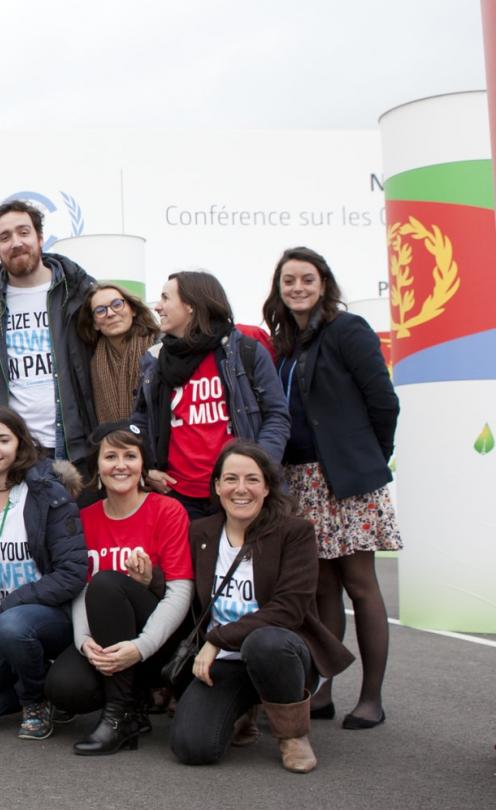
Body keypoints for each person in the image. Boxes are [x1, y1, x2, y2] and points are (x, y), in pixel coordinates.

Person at [262, 246, 400, 729]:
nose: (297, 288)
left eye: (306, 279)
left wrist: (366, 460)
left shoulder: (348, 329)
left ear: (324, 284)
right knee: (320, 589)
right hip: (300, 481)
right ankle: (324, 691)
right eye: (288, 281)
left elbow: (383, 402)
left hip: (347, 481)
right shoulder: (284, 344)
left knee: (361, 586)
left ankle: (372, 697)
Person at [169, 441, 354, 773]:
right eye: (231, 479)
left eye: (252, 479)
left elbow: (288, 610)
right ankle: (243, 710)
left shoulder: (295, 533)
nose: (241, 489)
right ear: (217, 486)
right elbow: (179, 584)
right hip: (225, 663)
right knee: (192, 747)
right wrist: (146, 577)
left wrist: (217, 639)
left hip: (279, 652)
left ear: (267, 487)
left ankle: (292, 735)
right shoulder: (201, 532)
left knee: (264, 642)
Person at [45, 422, 193, 755]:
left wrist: (141, 648)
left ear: (143, 465)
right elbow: (80, 589)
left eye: (130, 455)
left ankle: (119, 715)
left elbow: (180, 594)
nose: (121, 465)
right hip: (104, 638)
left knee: (108, 583)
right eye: (111, 456)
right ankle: (133, 702)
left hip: (157, 641)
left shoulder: (167, 511)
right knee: (64, 688)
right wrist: (83, 642)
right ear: (97, 466)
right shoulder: (85, 518)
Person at [0, 406, 87, 739]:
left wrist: (12, 604)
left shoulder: (48, 495)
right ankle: (30, 683)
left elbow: (73, 572)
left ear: (20, 445)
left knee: (13, 624)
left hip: (48, 618)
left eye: (3, 439)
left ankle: (35, 699)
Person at [0, 199, 97, 465]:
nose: (15, 242)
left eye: (24, 232)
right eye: (5, 237)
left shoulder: (79, 291)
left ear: (40, 237)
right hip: (16, 451)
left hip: (78, 447)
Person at [131, 271, 290, 520]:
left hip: (240, 494)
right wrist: (148, 466)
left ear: (191, 305)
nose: (157, 306)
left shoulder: (245, 351)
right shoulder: (155, 360)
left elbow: (277, 415)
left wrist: (258, 470)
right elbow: (142, 420)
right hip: (180, 499)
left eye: (165, 297)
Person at [75, 283, 160, 425]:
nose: (110, 313)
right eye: (100, 310)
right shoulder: (92, 362)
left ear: (132, 309)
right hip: (113, 443)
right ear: (95, 323)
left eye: (117, 304)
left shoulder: (159, 346)